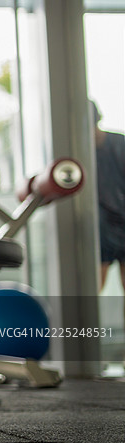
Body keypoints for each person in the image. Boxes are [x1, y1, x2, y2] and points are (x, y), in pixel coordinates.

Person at [92, 100, 125, 298]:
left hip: (122, 220)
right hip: (101, 229)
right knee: (94, 287)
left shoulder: (120, 144)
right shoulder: (80, 152)